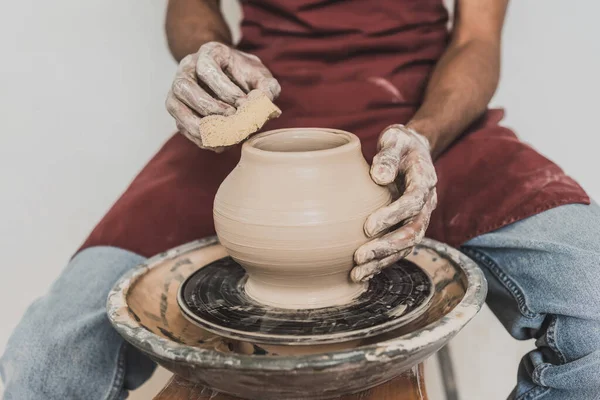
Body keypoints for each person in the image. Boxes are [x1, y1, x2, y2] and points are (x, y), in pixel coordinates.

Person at [2, 0, 599, 399]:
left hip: (426, 114)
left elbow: (476, 38)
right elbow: (191, 6)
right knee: (43, 361)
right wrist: (212, 58)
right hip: (260, 107)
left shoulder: (429, 127)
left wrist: (427, 135)